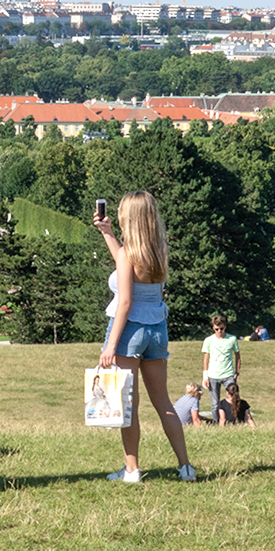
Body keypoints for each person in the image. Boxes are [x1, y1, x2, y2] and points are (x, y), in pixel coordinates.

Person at [94, 190, 197, 483]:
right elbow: (124, 263)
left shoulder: (130, 254)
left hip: (130, 331)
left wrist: (110, 346)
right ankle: (185, 467)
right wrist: (108, 234)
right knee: (163, 402)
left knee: (129, 404)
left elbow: (125, 301)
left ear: (130, 218)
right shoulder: (159, 251)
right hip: (158, 330)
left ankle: (132, 470)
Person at [200, 316, 240, 415]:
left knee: (234, 398)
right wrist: (205, 376)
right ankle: (216, 423)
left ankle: (235, 419)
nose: (219, 331)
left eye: (221, 328)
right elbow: (206, 358)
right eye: (216, 329)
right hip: (213, 375)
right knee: (215, 404)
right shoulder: (209, 340)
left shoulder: (232, 339)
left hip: (228, 374)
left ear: (225, 327)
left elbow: (237, 355)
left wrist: (237, 372)